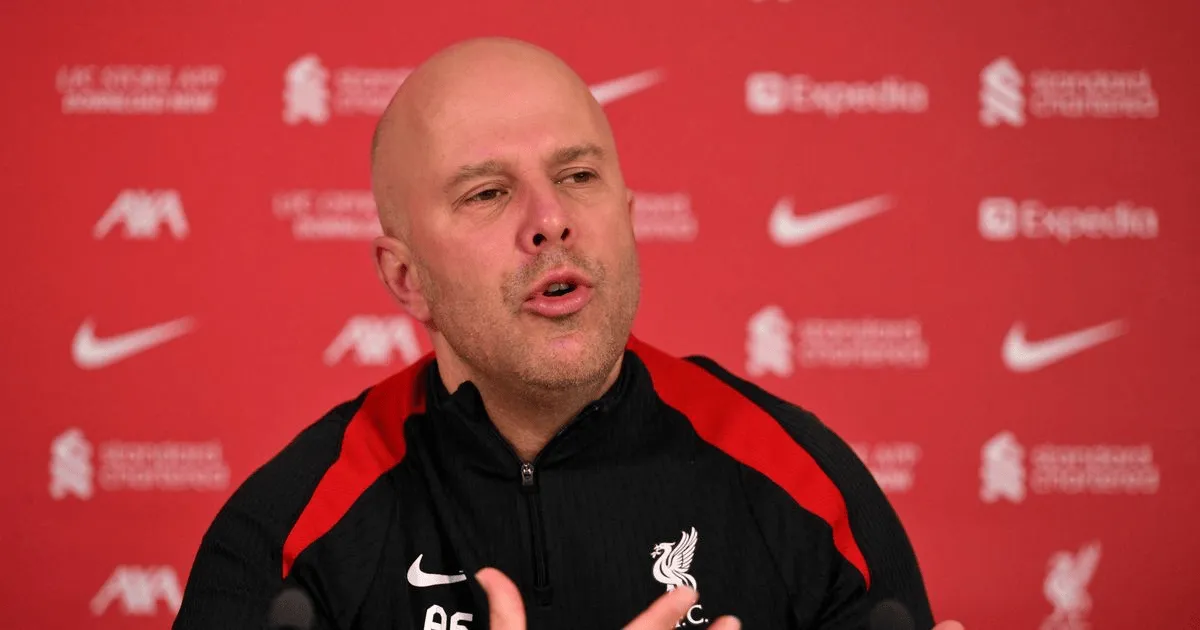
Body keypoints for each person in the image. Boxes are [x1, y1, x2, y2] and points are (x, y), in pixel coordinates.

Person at [173, 37, 965, 630]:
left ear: (628, 219)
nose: (550, 220)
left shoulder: (802, 485)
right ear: (405, 277)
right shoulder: (290, 540)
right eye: (488, 193)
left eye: (579, 177)